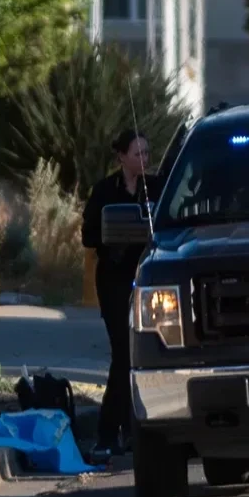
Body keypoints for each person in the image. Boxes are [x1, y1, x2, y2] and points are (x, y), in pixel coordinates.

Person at [81, 129, 163, 460]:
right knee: (123, 352)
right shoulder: (104, 191)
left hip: (148, 277)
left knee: (146, 351)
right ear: (122, 157)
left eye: (147, 153)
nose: (144, 159)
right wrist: (113, 235)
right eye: (137, 153)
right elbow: (88, 235)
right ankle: (107, 431)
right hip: (114, 279)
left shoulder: (158, 188)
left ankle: (134, 429)